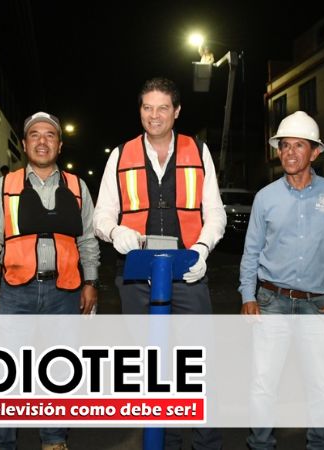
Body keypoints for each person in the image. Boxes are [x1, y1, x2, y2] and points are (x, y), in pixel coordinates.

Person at [93, 77, 225, 449]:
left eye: (162, 108)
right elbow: (102, 215)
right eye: (147, 108)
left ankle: (204, 443)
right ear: (140, 111)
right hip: (136, 278)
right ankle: (163, 441)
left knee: (197, 367)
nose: (154, 115)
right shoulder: (120, 154)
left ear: (176, 112)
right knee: (151, 370)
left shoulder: (198, 151)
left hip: (188, 272)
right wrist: (115, 232)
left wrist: (201, 248)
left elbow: (214, 212)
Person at [0, 111, 100, 450]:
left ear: (59, 145)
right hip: (16, 290)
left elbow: (88, 239)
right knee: (5, 372)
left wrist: (91, 281)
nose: (42, 141)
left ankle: (54, 438)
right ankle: (0, 442)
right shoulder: (6, 186)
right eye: (34, 135)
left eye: (50, 135)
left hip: (65, 291)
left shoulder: (77, 186)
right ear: (25, 144)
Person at [239, 110, 324, 450]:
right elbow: (251, 252)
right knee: (264, 382)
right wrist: (248, 295)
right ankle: (260, 443)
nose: (289, 153)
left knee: (320, 383)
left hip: (319, 304)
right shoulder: (266, 198)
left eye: (298, 146)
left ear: (315, 152)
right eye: (284, 146)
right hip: (271, 301)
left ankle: (320, 444)